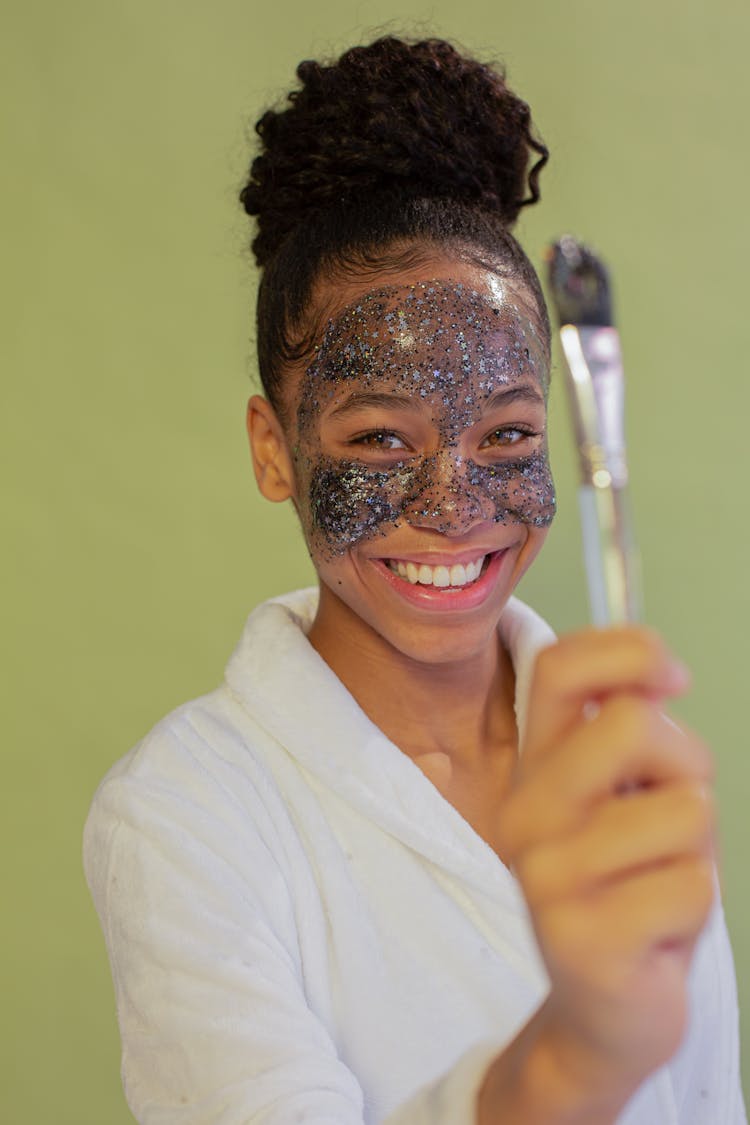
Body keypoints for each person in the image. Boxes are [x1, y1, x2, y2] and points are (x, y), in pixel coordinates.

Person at [84, 36, 745, 1124]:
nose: (453, 501)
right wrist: (571, 1056)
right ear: (272, 448)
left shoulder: (635, 770)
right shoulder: (181, 819)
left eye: (509, 431)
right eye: (381, 436)